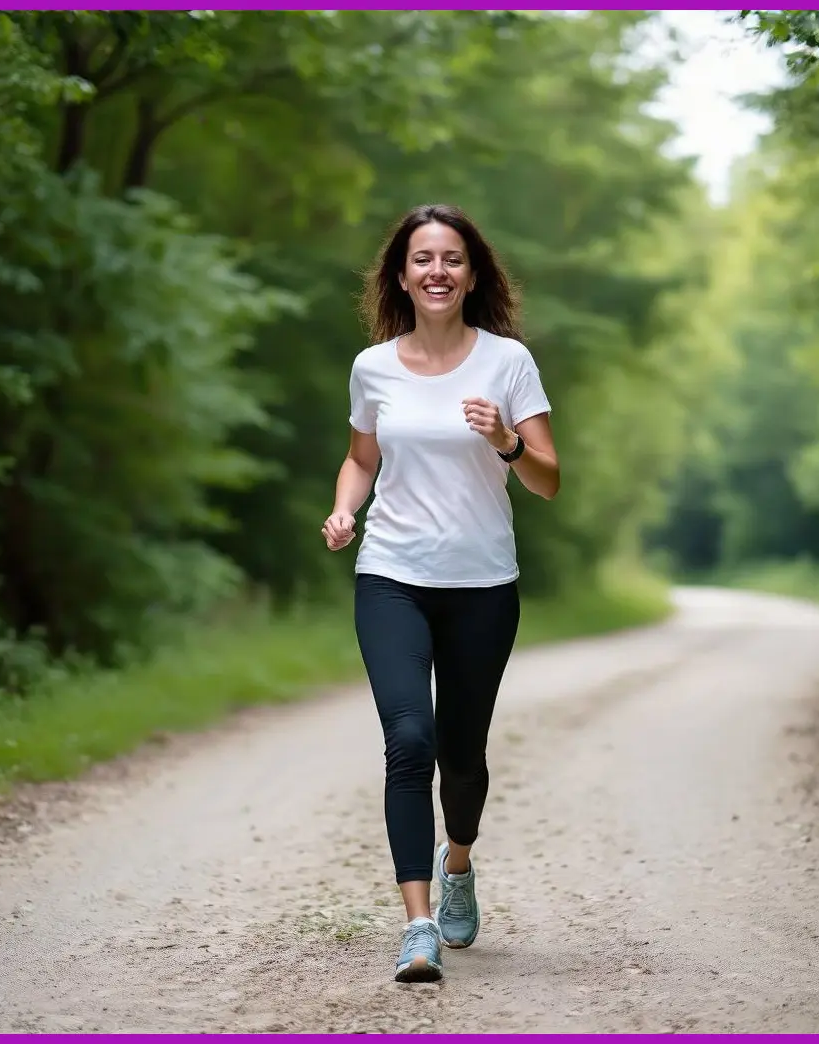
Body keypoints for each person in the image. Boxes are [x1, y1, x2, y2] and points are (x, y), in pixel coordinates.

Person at [321, 203, 560, 983]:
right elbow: (361, 458)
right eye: (423, 258)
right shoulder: (373, 368)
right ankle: (417, 926)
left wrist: (507, 440)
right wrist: (345, 509)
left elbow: (549, 480)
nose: (437, 271)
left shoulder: (508, 363)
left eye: (452, 258)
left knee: (461, 756)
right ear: (401, 275)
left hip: (482, 585)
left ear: (472, 274)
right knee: (409, 740)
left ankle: (457, 860)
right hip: (391, 575)